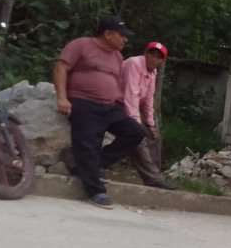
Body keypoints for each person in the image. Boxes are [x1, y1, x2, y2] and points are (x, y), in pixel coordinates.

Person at [53, 15, 145, 209]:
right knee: (87, 145)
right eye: (122, 35)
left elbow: (115, 82)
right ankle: (95, 191)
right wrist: (62, 97)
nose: (125, 40)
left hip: (109, 107)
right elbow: (61, 67)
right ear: (108, 34)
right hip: (84, 103)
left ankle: (92, 166)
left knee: (136, 132)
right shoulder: (81, 45)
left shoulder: (118, 57)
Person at [118, 42, 176, 190]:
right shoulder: (134, 64)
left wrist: (150, 124)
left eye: (158, 58)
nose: (153, 59)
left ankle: (156, 174)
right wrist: (138, 125)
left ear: (162, 61)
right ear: (145, 53)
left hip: (129, 108)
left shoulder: (153, 72)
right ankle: (152, 178)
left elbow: (148, 98)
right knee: (139, 137)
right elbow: (131, 95)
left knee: (154, 136)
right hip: (116, 104)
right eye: (151, 54)